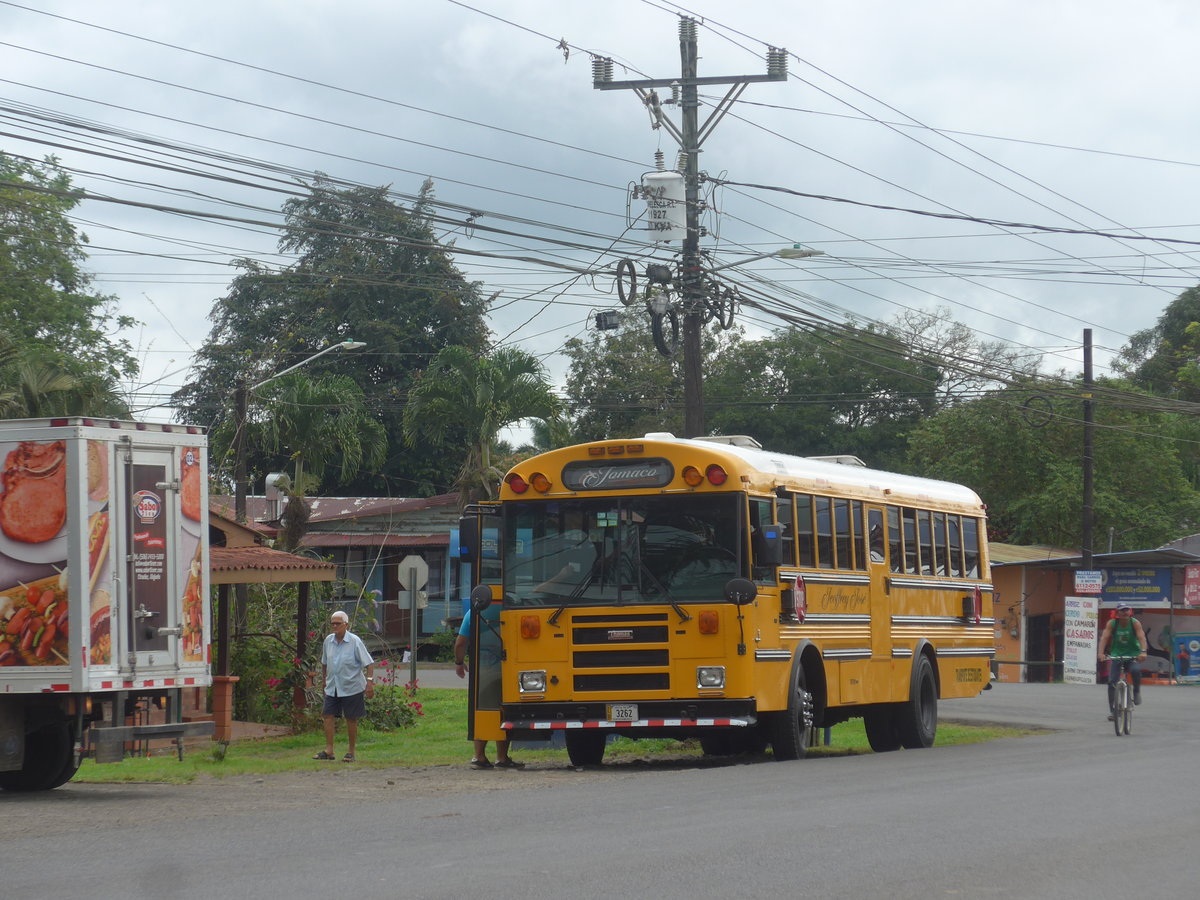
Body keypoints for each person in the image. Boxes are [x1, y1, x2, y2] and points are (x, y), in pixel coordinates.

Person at [454, 607, 524, 770]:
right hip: (507, 668)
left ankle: (479, 755)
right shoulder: (511, 607)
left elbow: (461, 642)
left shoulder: (474, 612)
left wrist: (459, 663)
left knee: (482, 710)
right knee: (504, 712)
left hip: (481, 670)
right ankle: (502, 757)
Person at [314, 610, 374, 762]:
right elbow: (324, 662)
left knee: (351, 718)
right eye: (332, 623)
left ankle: (351, 752)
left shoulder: (354, 641)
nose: (334, 626)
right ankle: (329, 750)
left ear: (346, 625)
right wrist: (324, 679)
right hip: (332, 686)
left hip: (351, 686)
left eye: (338, 623)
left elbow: (369, 663)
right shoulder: (328, 640)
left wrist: (370, 682)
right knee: (327, 715)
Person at [1098, 603, 1147, 714]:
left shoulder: (1135, 623)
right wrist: (1101, 653)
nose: (1124, 612)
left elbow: (1141, 637)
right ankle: (1113, 711)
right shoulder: (1112, 623)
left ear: (1130, 612)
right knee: (1112, 682)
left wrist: (1143, 652)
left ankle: (1136, 691)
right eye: (1122, 610)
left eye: (1127, 610)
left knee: (1135, 670)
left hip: (1133, 655)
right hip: (1117, 656)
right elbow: (1104, 638)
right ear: (1117, 613)